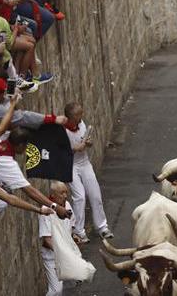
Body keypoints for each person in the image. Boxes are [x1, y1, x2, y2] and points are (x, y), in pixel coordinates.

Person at [63, 101, 112, 243]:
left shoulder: (82, 124)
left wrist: (88, 143)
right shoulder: (62, 131)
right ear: (71, 117)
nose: (81, 116)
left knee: (95, 194)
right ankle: (79, 231)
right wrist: (75, 148)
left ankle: (102, 227)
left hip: (84, 163)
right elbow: (61, 150)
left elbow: (86, 141)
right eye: (78, 115)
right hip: (70, 166)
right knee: (80, 197)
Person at [38, 181, 72, 296]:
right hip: (51, 257)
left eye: (66, 192)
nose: (65, 196)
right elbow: (47, 240)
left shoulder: (67, 205)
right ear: (53, 195)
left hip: (63, 255)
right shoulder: (46, 211)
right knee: (55, 290)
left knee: (59, 289)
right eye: (62, 193)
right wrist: (61, 251)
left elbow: (70, 227)